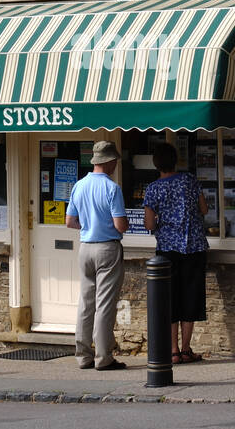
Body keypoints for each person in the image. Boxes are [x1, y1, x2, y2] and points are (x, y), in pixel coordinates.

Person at [66, 140, 130, 370]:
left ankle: (83, 356)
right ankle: (104, 357)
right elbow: (120, 224)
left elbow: (70, 222)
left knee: (86, 303)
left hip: (85, 247)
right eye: (115, 161)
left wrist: (89, 226)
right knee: (105, 304)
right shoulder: (112, 188)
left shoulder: (79, 185)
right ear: (110, 161)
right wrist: (124, 222)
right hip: (107, 248)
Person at [143, 141, 209, 364]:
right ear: (175, 161)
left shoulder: (153, 189)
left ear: (156, 164)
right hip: (194, 247)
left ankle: (172, 350)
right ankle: (186, 348)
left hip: (167, 251)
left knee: (170, 299)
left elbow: (150, 224)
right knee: (190, 298)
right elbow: (204, 209)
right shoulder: (190, 180)